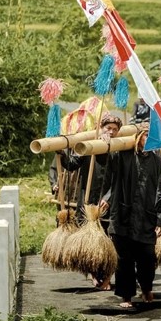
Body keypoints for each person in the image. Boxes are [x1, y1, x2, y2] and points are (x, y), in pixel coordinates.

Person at [102, 124, 161, 309]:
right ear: (138, 138)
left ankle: (146, 287)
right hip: (123, 216)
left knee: (147, 258)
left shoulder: (157, 160)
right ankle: (126, 295)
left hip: (147, 217)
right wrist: (107, 143)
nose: (148, 139)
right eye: (145, 135)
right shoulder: (123, 155)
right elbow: (107, 166)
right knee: (124, 259)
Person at [59, 113, 123, 289]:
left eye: (114, 129)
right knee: (90, 242)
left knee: (109, 240)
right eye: (108, 128)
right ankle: (94, 274)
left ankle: (107, 277)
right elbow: (72, 164)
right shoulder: (88, 146)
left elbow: (120, 178)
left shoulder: (119, 148)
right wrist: (62, 154)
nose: (111, 132)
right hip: (87, 201)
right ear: (100, 129)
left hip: (108, 202)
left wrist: (108, 198)